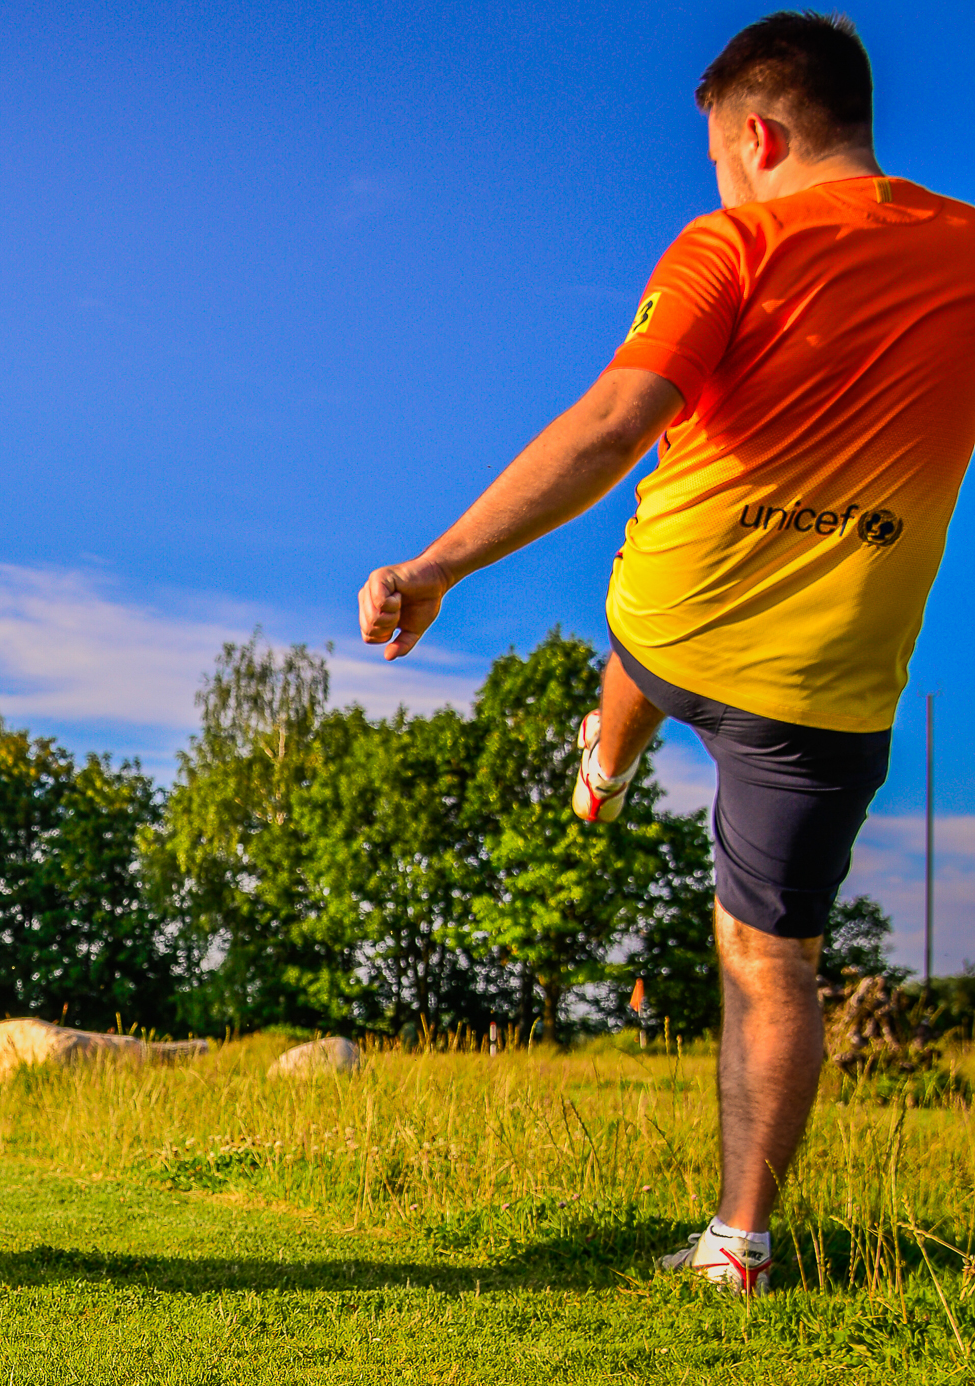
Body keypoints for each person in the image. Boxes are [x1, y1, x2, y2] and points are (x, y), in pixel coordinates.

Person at [357, 12, 975, 1294]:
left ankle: (604, 749)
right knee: (768, 962)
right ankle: (738, 1246)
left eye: (715, 154)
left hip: (679, 613)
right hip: (824, 687)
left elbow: (606, 423)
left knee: (633, 626)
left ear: (755, 133)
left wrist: (433, 568)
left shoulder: (730, 241)